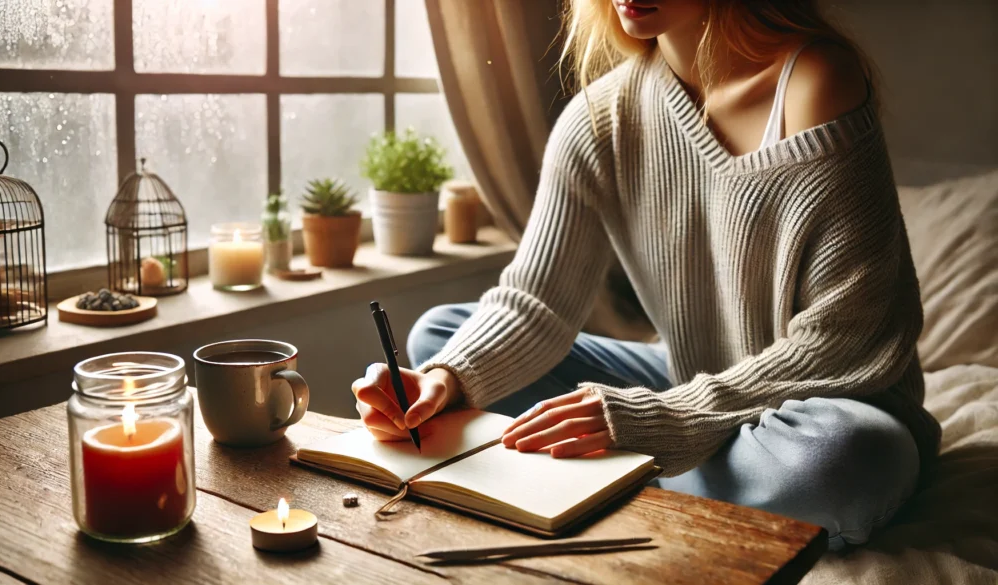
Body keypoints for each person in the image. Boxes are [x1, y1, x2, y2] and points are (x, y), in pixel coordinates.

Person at [352, 0, 940, 550]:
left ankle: (599, 481)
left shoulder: (814, 78)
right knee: (441, 340)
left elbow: (849, 338)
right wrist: (446, 380)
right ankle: (655, 473)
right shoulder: (599, 117)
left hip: (833, 404)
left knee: (846, 463)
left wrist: (663, 420)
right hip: (692, 377)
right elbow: (535, 301)